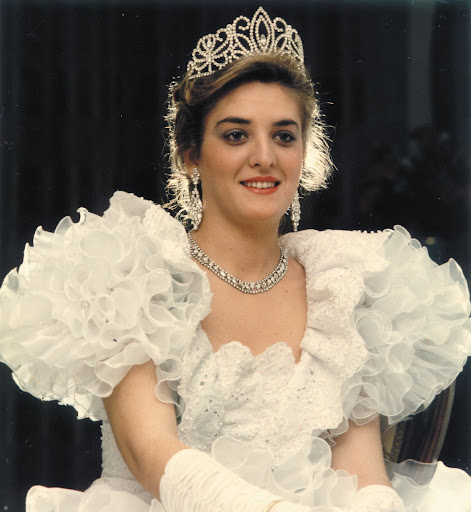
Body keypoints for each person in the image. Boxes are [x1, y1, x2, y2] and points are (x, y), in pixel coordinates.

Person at [1, 7, 471, 512]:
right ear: (191, 154)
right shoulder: (135, 275)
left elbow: (362, 474)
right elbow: (151, 452)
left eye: (284, 135)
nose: (264, 156)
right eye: (235, 134)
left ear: (303, 154)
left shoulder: (343, 286)